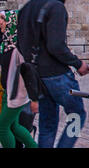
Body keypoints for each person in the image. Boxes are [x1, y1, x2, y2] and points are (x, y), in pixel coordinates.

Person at [17, 0, 89, 148]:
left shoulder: (26, 9)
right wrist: (77, 63)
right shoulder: (55, 7)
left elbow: (22, 45)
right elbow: (56, 45)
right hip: (57, 76)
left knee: (47, 124)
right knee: (77, 114)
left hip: (37, 78)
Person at [0, 10, 38, 148]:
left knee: (2, 128)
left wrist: (34, 99)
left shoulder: (19, 49)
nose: (0, 22)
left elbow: (29, 73)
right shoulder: (6, 43)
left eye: (3, 19)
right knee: (14, 127)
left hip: (16, 95)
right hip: (8, 91)